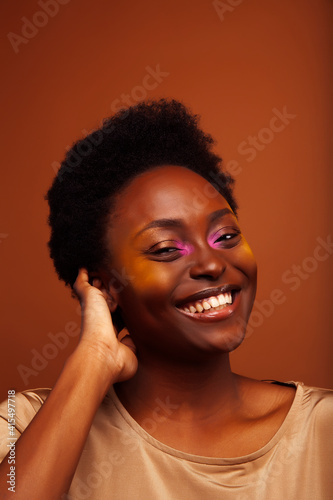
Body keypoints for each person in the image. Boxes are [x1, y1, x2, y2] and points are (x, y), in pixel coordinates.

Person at [0, 99, 332, 499]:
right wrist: (93, 361)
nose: (211, 262)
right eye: (166, 249)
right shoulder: (22, 424)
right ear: (104, 286)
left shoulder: (323, 430)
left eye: (225, 236)